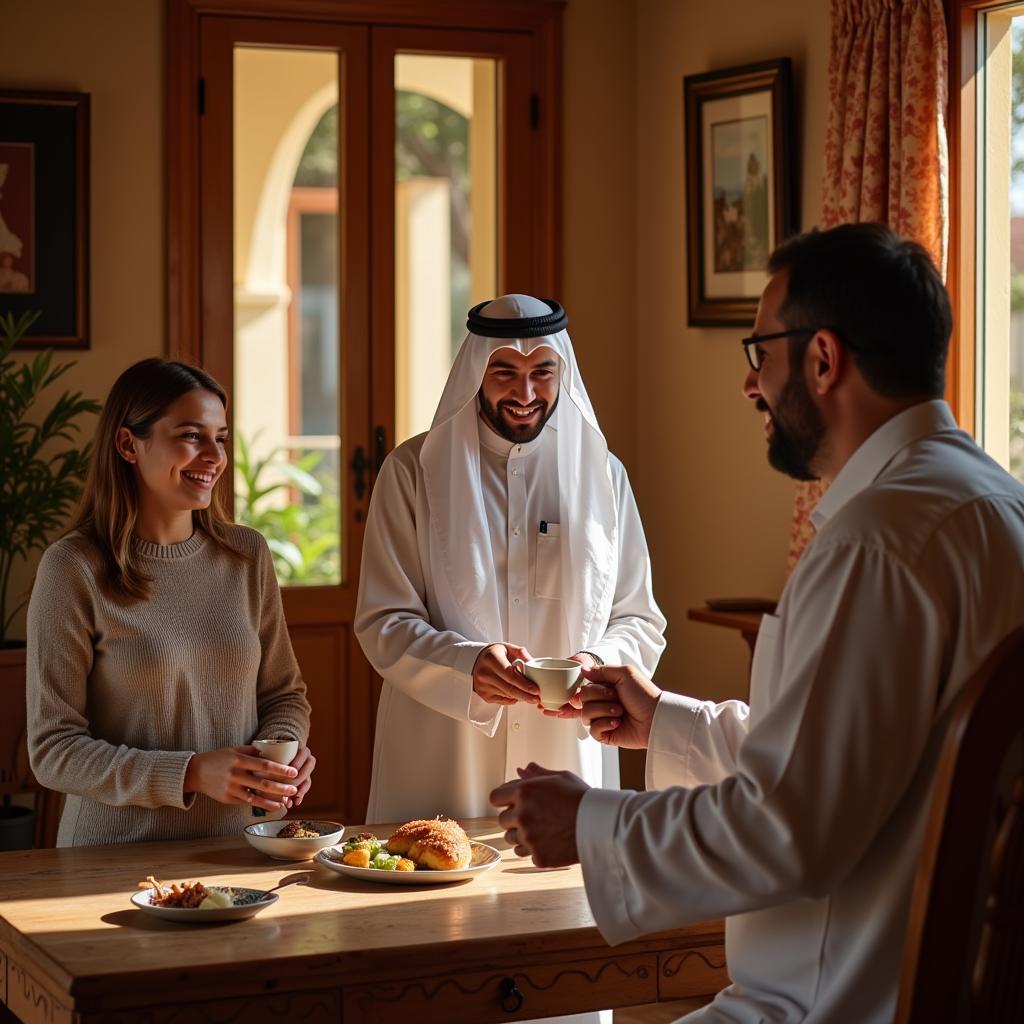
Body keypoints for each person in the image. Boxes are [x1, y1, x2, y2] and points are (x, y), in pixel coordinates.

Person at [491, 225, 1024, 1023]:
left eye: (760, 354)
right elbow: (862, 762)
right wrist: (669, 723)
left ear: (823, 359)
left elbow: (792, 828)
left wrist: (592, 822)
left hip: (829, 1000)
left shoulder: (876, 544)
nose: (750, 387)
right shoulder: (993, 507)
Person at [355, 294, 666, 822]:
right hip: (444, 759)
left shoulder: (602, 475)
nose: (525, 392)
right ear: (476, 371)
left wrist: (595, 664)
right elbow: (383, 621)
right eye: (504, 372)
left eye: (542, 371)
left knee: (563, 903)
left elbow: (638, 618)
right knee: (424, 891)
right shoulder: (412, 471)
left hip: (566, 750)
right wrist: (465, 666)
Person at [27, 358, 315, 847]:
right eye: (190, 435)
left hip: (237, 849)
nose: (214, 456)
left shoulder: (247, 555)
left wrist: (282, 751)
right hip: (110, 856)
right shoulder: (73, 568)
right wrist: (193, 773)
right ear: (127, 445)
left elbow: (283, 694)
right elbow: (54, 750)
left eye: (220, 438)